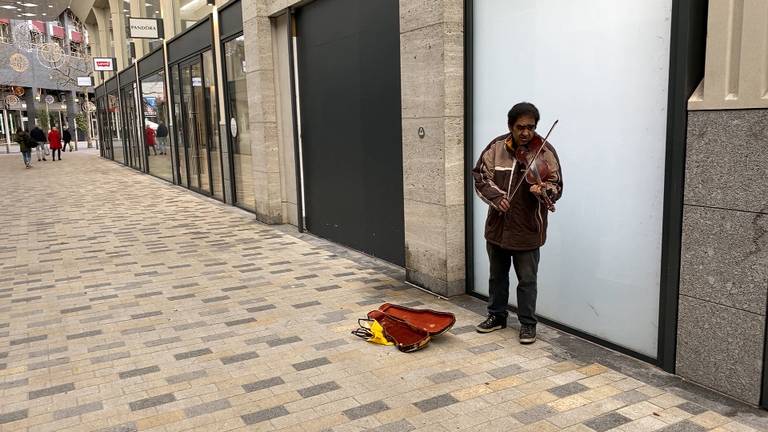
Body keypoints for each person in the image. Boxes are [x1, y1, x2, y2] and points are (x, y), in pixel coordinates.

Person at [472, 102, 563, 344]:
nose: (526, 133)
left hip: (528, 228)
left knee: (527, 280)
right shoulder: (496, 147)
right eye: (520, 127)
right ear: (510, 126)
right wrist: (497, 198)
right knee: (497, 276)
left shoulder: (544, 151)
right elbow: (480, 176)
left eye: (531, 128)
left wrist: (544, 191)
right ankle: (497, 316)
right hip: (498, 228)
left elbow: (557, 185)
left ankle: (527, 324)